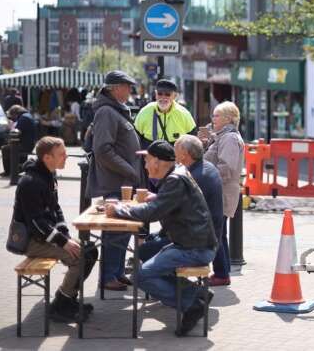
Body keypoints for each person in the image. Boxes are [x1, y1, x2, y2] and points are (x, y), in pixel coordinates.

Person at [105, 140, 217, 336]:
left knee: (140, 276)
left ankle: (191, 304)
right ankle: (196, 293)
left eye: (147, 160)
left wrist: (119, 209)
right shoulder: (177, 175)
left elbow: (151, 213)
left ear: (157, 162)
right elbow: (171, 203)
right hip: (192, 244)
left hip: (195, 248)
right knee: (148, 256)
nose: (145, 165)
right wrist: (157, 198)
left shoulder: (174, 180)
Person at [13, 137, 99, 322]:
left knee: (90, 250)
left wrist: (65, 237)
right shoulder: (30, 182)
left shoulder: (48, 175)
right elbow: (36, 223)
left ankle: (67, 298)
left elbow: (56, 210)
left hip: (45, 237)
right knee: (81, 256)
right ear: (47, 158)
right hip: (31, 241)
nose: (66, 157)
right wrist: (63, 242)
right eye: (61, 154)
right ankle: (60, 305)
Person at [86, 70, 142, 291]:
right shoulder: (107, 112)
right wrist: (130, 170)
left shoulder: (115, 110)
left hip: (123, 182)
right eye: (127, 87)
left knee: (122, 231)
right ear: (115, 88)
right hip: (116, 183)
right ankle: (108, 276)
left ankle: (116, 273)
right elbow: (102, 150)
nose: (130, 91)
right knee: (115, 231)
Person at [202, 101, 245, 286]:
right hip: (220, 191)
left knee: (215, 233)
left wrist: (204, 175)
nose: (213, 118)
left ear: (228, 119)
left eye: (217, 115)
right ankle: (223, 271)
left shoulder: (229, 138)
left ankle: (221, 273)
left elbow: (226, 168)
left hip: (222, 192)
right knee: (220, 234)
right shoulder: (222, 136)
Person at [174, 135, 226, 284]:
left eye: (175, 149)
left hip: (201, 239)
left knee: (150, 249)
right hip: (209, 231)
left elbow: (177, 207)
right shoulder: (207, 167)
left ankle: (182, 290)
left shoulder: (195, 176)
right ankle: (222, 274)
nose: (173, 152)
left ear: (184, 154)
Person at [134, 79, 196, 147]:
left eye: (167, 94)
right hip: (150, 151)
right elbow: (135, 137)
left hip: (175, 151)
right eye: (160, 94)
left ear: (174, 96)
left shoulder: (184, 114)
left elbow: (193, 140)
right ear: (156, 94)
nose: (163, 97)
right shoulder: (145, 111)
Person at [0, 105, 37, 178]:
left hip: (25, 145)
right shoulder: (27, 115)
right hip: (29, 144)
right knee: (9, 147)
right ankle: (18, 169)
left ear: (15, 113)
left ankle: (8, 171)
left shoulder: (23, 118)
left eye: (12, 116)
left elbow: (17, 132)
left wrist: (10, 128)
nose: (12, 118)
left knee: (5, 149)